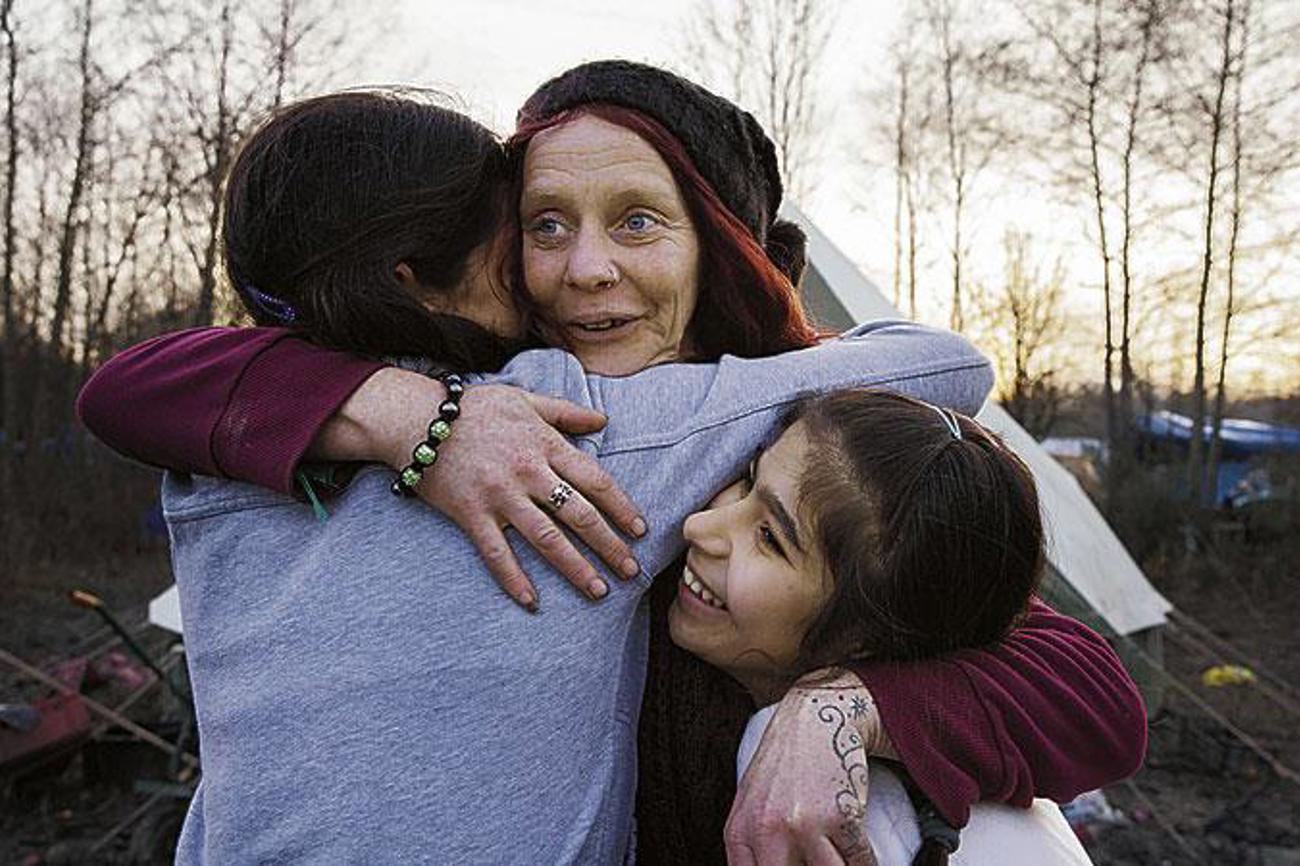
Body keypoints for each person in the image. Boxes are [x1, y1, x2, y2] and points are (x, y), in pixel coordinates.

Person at [78, 65, 1145, 863]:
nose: (586, 270)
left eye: (637, 221)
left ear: (717, 246)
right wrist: (409, 415)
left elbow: (1089, 691)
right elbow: (130, 384)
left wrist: (844, 703)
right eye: (544, 225)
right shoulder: (508, 393)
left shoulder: (814, 440)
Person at [683, 389, 1093, 865]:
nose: (698, 526)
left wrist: (833, 707)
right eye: (748, 479)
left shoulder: (852, 811)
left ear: (866, 638)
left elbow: (1105, 698)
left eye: (770, 539)